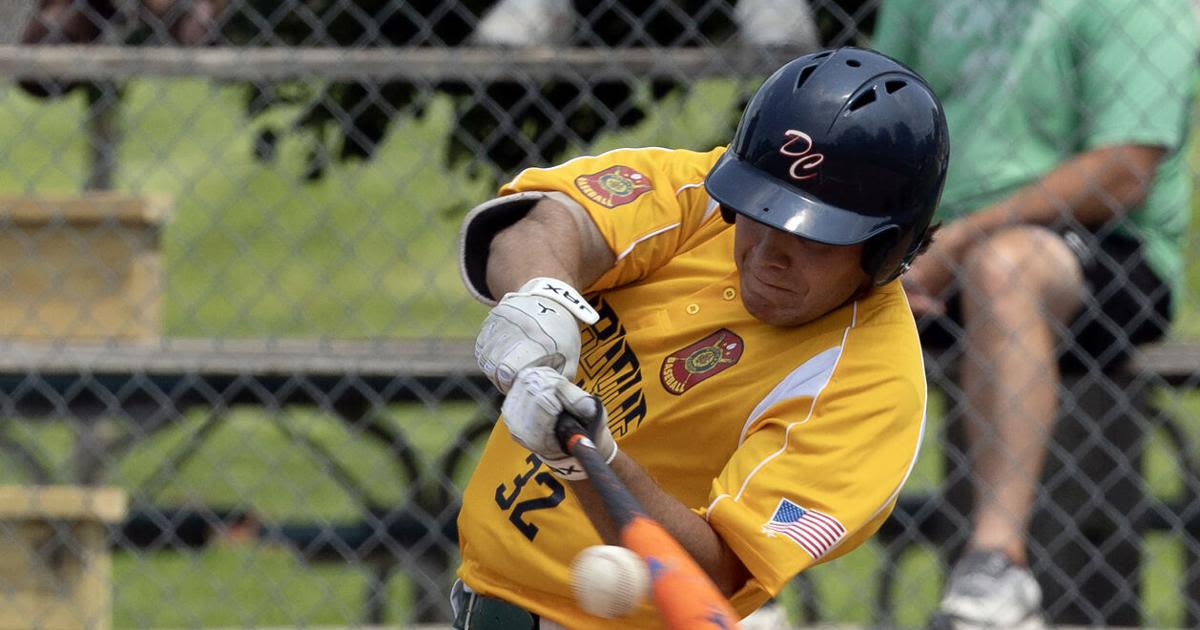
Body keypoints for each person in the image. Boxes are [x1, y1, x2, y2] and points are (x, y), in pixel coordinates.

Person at [452, 46, 949, 629]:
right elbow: (547, 224)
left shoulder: (870, 391)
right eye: (760, 211)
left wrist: (595, 463)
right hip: (482, 597)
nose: (765, 254)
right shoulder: (709, 196)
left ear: (889, 250)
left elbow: (719, 571)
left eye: (813, 238)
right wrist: (541, 298)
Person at [872, 1, 1198, 628]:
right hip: (932, 243)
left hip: (1101, 246)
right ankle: (752, 568)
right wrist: (883, 252)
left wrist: (961, 241)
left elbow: (1124, 170)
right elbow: (883, 118)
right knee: (789, 265)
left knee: (1004, 267)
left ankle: (998, 569)